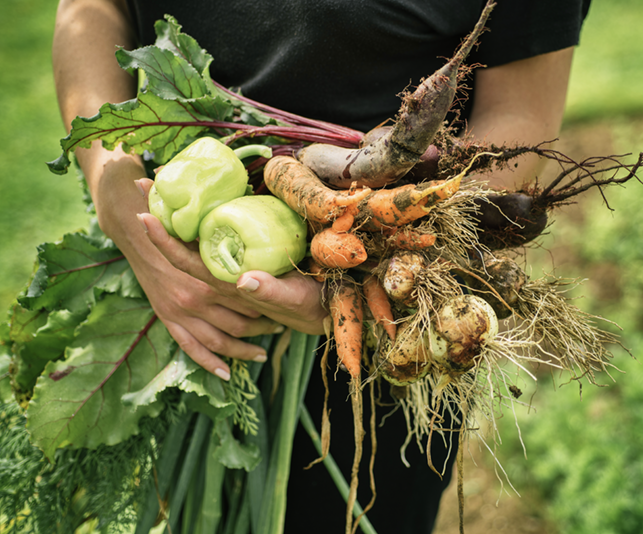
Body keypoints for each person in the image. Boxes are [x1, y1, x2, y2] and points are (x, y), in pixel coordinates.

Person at [52, 1, 591, 531]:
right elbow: (89, 10)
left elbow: (519, 110)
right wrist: (113, 184)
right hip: (170, 278)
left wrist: (381, 261)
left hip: (396, 317)